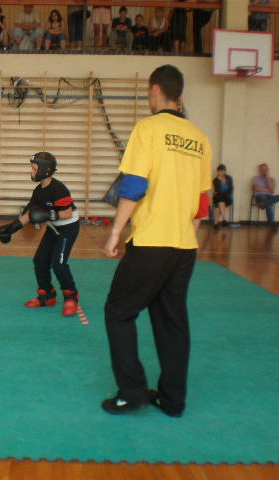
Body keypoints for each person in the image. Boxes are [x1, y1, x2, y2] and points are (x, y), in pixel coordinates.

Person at [101, 65, 212, 417]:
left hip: (151, 242)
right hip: (184, 247)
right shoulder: (200, 138)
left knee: (118, 312)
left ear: (155, 90)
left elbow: (134, 186)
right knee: (172, 322)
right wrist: (183, 235)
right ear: (179, 94)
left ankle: (132, 392)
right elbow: (203, 205)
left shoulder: (148, 128)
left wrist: (115, 232)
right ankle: (172, 400)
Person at [0, 152, 81, 316]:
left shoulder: (58, 189)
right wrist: (11, 228)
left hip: (68, 228)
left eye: (35, 169)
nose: (32, 172)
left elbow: (68, 213)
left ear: (46, 171)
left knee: (58, 263)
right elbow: (30, 213)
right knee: (40, 261)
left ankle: (71, 296)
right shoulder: (38, 191)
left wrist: (48, 215)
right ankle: (47, 295)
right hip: (54, 227)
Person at [252, 163, 278, 230]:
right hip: (260, 196)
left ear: (268, 170)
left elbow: (272, 190)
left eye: (266, 169)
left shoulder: (272, 179)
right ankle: (271, 225)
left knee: (269, 202)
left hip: (269, 197)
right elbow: (256, 188)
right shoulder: (256, 178)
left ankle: (264, 203)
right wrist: (267, 190)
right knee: (269, 204)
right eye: (263, 169)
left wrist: (268, 178)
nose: (264, 171)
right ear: (260, 170)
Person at [212, 164, 233, 228]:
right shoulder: (215, 180)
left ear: (225, 171)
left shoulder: (229, 178)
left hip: (227, 198)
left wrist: (222, 193)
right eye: (219, 171)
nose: (221, 172)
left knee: (219, 201)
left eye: (222, 171)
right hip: (218, 197)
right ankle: (224, 220)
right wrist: (219, 181)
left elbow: (231, 189)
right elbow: (217, 190)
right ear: (217, 171)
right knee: (219, 200)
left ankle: (216, 223)